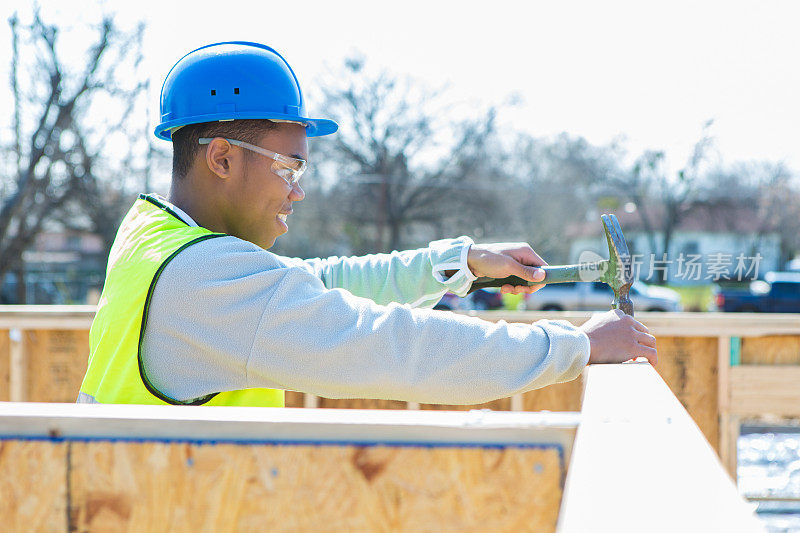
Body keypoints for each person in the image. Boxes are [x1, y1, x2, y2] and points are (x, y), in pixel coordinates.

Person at [78, 41, 656, 407]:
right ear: (223, 159)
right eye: (288, 166)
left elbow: (318, 286)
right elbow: (389, 347)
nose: (298, 190)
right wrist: (574, 345)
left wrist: (460, 264)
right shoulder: (205, 277)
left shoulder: (154, 237)